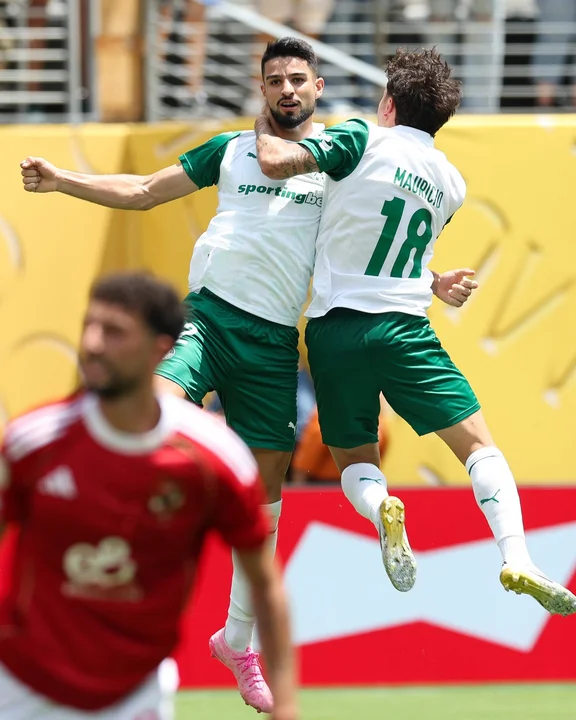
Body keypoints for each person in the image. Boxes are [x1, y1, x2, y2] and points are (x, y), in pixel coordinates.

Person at [19, 37, 478, 712]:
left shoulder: (341, 162)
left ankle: (237, 642)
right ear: (262, 90)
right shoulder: (231, 149)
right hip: (207, 321)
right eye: (275, 80)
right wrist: (63, 180)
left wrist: (431, 279)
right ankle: (96, 567)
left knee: (263, 502)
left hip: (272, 348)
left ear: (318, 87)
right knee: (152, 413)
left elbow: (376, 237)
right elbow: (144, 191)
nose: (287, 88)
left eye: (298, 78)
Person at [253, 47, 576, 616]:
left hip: (334, 331)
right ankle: (518, 556)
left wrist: (263, 124)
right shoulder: (451, 183)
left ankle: (382, 510)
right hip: (404, 330)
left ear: (388, 105)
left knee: (354, 459)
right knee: (478, 447)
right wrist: (432, 280)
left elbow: (280, 165)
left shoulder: (359, 137)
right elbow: (390, 238)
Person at [0, 271, 297, 720]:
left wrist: (287, 706)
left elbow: (266, 584)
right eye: (89, 326)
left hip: (136, 694)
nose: (92, 343)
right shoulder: (34, 440)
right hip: (23, 685)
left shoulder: (214, 458)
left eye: (114, 331)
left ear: (162, 349)